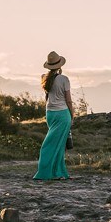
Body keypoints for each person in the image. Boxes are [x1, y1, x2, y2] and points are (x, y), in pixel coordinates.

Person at [34, 51, 74, 180]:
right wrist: (72, 114)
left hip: (50, 114)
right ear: (60, 65)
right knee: (53, 144)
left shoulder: (44, 78)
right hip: (62, 114)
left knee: (56, 143)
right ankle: (46, 172)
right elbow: (68, 100)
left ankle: (58, 172)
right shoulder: (64, 79)